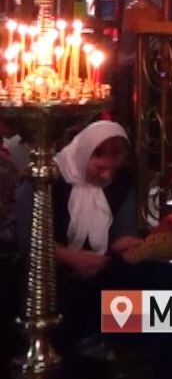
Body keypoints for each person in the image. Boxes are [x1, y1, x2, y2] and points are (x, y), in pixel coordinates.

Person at [13, 121, 144, 365]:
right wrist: (73, 258)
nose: (107, 176)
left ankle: (115, 360)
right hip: (47, 274)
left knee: (136, 290)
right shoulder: (46, 177)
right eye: (101, 167)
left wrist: (137, 246)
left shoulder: (121, 180)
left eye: (113, 169)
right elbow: (29, 241)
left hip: (97, 271)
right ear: (86, 154)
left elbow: (121, 234)